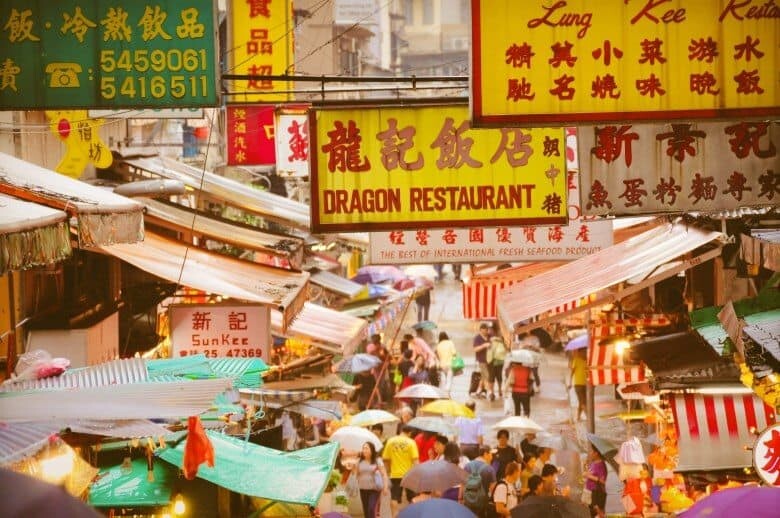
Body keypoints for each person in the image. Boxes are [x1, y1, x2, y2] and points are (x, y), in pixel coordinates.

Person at [382, 425, 419, 516]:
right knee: (412, 498)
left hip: (395, 474)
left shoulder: (391, 441)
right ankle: (412, 515)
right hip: (409, 475)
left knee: (394, 498)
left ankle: (395, 515)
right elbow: (415, 461)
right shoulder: (411, 442)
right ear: (410, 433)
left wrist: (388, 471)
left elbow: (386, 459)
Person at [354, 441, 389, 518]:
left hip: (374, 489)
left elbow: (384, 474)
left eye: (366, 448)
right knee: (366, 509)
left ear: (372, 450)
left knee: (371, 508)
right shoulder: (359, 461)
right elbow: (355, 474)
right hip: (362, 488)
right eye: (363, 448)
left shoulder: (377, 461)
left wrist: (385, 487)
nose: (364, 450)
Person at [464, 446, 497, 516]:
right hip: (482, 504)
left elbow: (462, 484)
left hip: (468, 501)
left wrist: (460, 498)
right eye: (491, 454)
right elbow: (493, 489)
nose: (492, 457)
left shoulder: (467, 466)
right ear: (485, 454)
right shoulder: (490, 469)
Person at [584, 444, 608, 518]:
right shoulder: (593, 463)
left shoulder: (601, 465)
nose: (590, 453)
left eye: (591, 452)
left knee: (599, 515)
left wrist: (589, 476)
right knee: (592, 515)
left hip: (597, 494)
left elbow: (603, 481)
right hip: (590, 493)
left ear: (596, 453)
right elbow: (590, 475)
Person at [472, 323, 492, 398]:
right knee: (487, 376)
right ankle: (489, 392)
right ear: (480, 330)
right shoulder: (477, 338)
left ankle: (478, 390)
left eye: (487, 330)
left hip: (490, 360)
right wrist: (484, 346)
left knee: (484, 376)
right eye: (484, 330)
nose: (486, 332)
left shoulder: (490, 337)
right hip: (481, 360)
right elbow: (475, 349)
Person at [487, 334, 507, 401]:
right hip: (499, 361)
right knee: (498, 376)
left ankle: (493, 392)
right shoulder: (500, 340)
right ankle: (499, 390)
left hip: (492, 361)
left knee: (492, 377)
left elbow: (489, 351)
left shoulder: (491, 338)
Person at [570, 348, 588, 421]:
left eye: (585, 352)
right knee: (583, 401)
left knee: (582, 402)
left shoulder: (587, 361)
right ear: (579, 353)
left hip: (586, 384)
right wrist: (570, 382)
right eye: (583, 352)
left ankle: (578, 417)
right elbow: (572, 372)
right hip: (578, 384)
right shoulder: (576, 360)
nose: (584, 353)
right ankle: (589, 416)